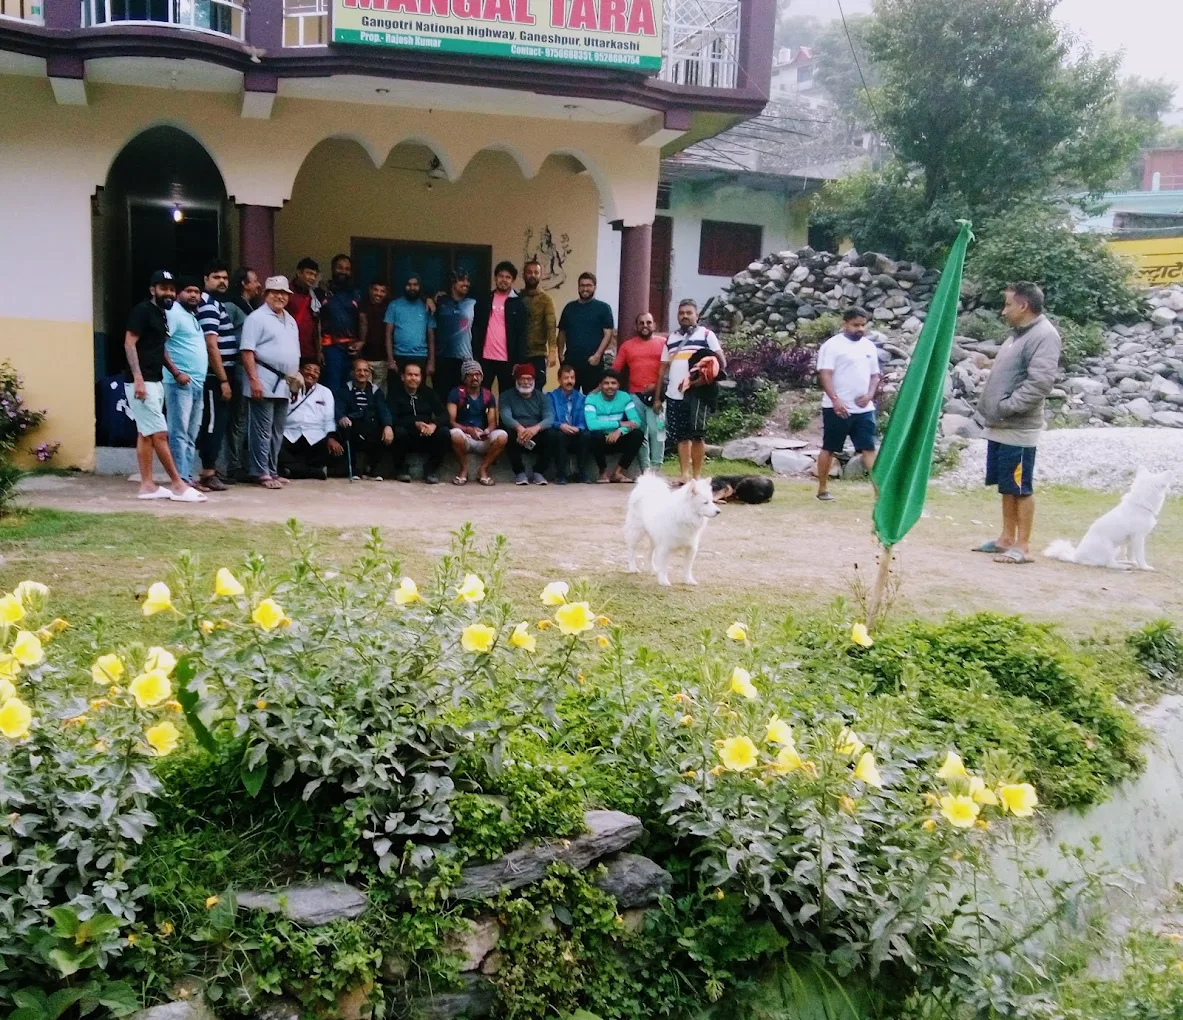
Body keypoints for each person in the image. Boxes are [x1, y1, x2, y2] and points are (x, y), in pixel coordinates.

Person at [974, 281, 1062, 565]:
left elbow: (1040, 382)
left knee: (1020, 486)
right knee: (1006, 485)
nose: (1004, 311)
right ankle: (1006, 538)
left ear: (1023, 306)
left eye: (1008, 304)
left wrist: (1007, 407)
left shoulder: (1044, 335)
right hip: (1001, 426)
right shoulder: (1018, 336)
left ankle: (1023, 546)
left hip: (1018, 428)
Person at [123, 270, 206, 503]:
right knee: (160, 434)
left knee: (146, 434)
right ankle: (178, 484)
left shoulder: (162, 314)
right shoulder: (142, 311)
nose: (168, 292)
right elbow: (129, 343)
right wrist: (138, 378)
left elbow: (161, 349)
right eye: (163, 288)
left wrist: (176, 372)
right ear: (153, 290)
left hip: (156, 380)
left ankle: (148, 485)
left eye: (171, 289)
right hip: (142, 383)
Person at [654, 299, 726, 483]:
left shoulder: (707, 335)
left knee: (697, 434)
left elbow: (721, 363)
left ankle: (696, 476)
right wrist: (658, 396)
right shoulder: (671, 339)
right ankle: (684, 475)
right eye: (681, 313)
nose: (685, 316)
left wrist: (700, 380)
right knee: (681, 436)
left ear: (697, 315)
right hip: (674, 393)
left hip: (698, 394)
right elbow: (663, 368)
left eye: (689, 312)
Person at [815, 306, 881, 502]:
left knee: (869, 448)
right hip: (837, 408)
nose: (859, 329)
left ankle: (880, 493)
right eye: (855, 325)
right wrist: (835, 400)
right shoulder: (832, 346)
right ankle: (822, 488)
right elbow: (825, 374)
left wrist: (870, 395)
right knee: (830, 447)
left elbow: (875, 375)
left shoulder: (869, 346)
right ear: (844, 324)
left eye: (863, 325)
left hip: (864, 409)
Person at [240, 276, 300, 490]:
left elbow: (295, 352)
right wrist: (254, 380)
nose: (280, 296)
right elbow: (247, 351)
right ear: (266, 294)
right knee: (262, 429)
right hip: (263, 378)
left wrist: (295, 381)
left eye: (284, 293)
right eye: (275, 292)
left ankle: (272, 470)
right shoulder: (256, 318)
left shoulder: (290, 319)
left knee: (277, 430)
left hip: (285, 382)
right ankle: (260, 472)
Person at [195, 260, 239, 492]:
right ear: (205, 279)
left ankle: (210, 469)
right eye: (216, 277)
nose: (222, 281)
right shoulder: (208, 305)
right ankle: (208, 472)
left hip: (221, 373)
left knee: (217, 422)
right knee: (213, 423)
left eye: (224, 277)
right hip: (214, 376)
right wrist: (223, 380)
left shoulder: (215, 304)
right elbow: (211, 345)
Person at [163, 276, 209, 488]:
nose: (193, 295)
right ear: (179, 293)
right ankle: (180, 478)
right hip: (179, 383)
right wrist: (176, 373)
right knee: (179, 433)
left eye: (197, 292)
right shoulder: (173, 314)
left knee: (191, 435)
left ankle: (187, 477)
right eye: (189, 291)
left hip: (197, 383)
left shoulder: (192, 317)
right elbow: (160, 344)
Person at [612, 311, 666, 471]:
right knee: (639, 434)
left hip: (659, 397)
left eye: (648, 322)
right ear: (636, 326)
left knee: (659, 432)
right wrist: (599, 388)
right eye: (641, 323)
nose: (645, 326)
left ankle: (657, 469)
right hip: (635, 397)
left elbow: (671, 369)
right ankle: (646, 470)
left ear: (654, 325)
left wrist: (657, 386)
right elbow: (615, 369)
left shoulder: (664, 343)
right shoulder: (627, 346)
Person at [447, 359, 508, 487]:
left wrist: (486, 431)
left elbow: (492, 423)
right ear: (465, 377)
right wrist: (468, 430)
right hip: (465, 437)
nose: (475, 378)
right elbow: (451, 421)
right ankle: (464, 469)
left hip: (482, 437)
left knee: (502, 436)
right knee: (454, 434)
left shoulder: (487, 395)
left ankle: (483, 470)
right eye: (471, 375)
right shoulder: (456, 393)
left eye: (478, 374)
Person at [388, 361, 451, 484]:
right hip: (406, 436)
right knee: (398, 432)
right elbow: (392, 418)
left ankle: (431, 468)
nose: (413, 378)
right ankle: (401, 469)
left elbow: (444, 414)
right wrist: (414, 423)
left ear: (421, 378)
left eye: (416, 375)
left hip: (426, 434)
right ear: (402, 377)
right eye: (410, 375)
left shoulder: (428, 393)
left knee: (444, 433)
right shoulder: (395, 394)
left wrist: (433, 425)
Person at [279, 359, 343, 480]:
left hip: (315, 435)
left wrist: (331, 437)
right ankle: (313, 472)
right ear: (300, 371)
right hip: (290, 433)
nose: (312, 373)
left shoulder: (325, 392)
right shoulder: (287, 388)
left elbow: (329, 418)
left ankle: (291, 470)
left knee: (332, 450)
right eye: (308, 369)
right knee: (275, 447)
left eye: (316, 372)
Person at [472, 260, 527, 396]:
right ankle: (485, 418)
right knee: (482, 395)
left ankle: (503, 419)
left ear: (512, 280)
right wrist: (475, 354)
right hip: (485, 358)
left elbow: (522, 334)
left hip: (507, 360)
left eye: (508, 277)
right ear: (496, 278)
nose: (504, 280)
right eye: (501, 276)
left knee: (507, 397)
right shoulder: (485, 300)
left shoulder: (518, 303)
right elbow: (476, 327)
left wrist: (518, 361)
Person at [335, 359, 394, 480]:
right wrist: (342, 417)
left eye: (365, 370)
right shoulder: (345, 389)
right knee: (346, 428)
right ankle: (354, 469)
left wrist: (388, 425)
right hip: (353, 425)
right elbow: (338, 408)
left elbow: (383, 409)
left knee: (383, 430)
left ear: (369, 373)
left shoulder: (375, 391)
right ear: (352, 373)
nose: (362, 373)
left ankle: (372, 469)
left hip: (370, 426)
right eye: (359, 370)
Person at [558, 272, 614, 394]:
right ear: (578, 287)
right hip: (571, 361)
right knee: (570, 397)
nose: (585, 288)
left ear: (595, 287)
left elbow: (608, 334)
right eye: (582, 285)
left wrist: (598, 355)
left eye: (589, 285)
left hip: (592, 362)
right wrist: (560, 354)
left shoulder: (603, 308)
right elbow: (562, 332)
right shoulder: (569, 308)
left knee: (592, 398)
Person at [499, 363, 554, 485]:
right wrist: (519, 428)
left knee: (552, 434)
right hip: (517, 432)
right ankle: (519, 472)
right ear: (516, 380)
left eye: (529, 379)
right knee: (506, 433)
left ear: (534, 380)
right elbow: (505, 415)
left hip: (536, 433)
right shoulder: (506, 396)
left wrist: (535, 429)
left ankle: (539, 472)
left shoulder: (542, 397)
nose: (526, 382)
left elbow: (549, 417)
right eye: (522, 378)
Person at [584, 369, 644, 483]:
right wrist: (618, 423)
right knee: (595, 435)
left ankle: (618, 472)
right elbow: (592, 425)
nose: (610, 386)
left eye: (613, 383)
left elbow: (636, 421)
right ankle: (603, 473)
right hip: (600, 441)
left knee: (638, 434)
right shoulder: (591, 399)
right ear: (601, 385)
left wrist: (620, 431)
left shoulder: (624, 397)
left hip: (618, 438)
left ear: (618, 385)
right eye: (606, 383)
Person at [320, 253, 361, 396]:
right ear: (332, 269)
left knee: (349, 389)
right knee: (331, 388)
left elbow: (363, 319)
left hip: (351, 350)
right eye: (340, 268)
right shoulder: (322, 292)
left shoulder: (356, 294)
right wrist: (318, 349)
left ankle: (344, 418)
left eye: (347, 269)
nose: (343, 271)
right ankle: (331, 418)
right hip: (330, 348)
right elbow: (315, 321)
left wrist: (361, 341)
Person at [384, 274, 435, 385]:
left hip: (421, 357)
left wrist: (431, 362)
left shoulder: (427, 306)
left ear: (420, 287)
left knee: (418, 394)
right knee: (396, 393)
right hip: (399, 356)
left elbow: (431, 336)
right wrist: (390, 360)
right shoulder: (394, 305)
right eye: (409, 285)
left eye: (415, 285)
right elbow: (388, 334)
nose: (412, 288)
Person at [434, 271, 477, 400]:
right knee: (442, 397)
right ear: (453, 283)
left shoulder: (473, 303)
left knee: (462, 398)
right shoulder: (440, 302)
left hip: (465, 358)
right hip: (442, 357)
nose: (466, 284)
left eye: (468, 281)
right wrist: (429, 299)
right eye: (462, 280)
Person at [549, 363, 591, 484]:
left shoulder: (582, 398)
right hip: (560, 432)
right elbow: (549, 418)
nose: (569, 381)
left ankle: (582, 473)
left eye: (572, 378)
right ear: (559, 380)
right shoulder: (551, 397)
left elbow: (585, 419)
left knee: (586, 435)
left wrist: (579, 428)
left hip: (576, 432)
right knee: (560, 435)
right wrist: (560, 425)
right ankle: (561, 474)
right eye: (566, 378)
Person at [520, 258, 557, 388]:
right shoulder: (517, 298)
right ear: (523, 274)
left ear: (541, 276)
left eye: (536, 272)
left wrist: (552, 351)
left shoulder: (546, 300)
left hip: (537, 354)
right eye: (529, 272)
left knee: (536, 389)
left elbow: (551, 326)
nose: (532, 275)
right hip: (518, 353)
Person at [357, 279, 392, 392]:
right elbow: (362, 323)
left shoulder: (390, 307)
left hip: (382, 359)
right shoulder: (362, 304)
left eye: (382, 291)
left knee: (380, 393)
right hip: (364, 358)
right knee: (364, 391)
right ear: (370, 290)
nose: (378, 293)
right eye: (376, 290)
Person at [288, 257, 323, 363]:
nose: (312, 278)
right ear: (299, 273)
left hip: (309, 351)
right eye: (309, 273)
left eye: (314, 275)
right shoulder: (286, 292)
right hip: (289, 349)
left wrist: (319, 351)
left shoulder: (314, 296)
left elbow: (317, 325)